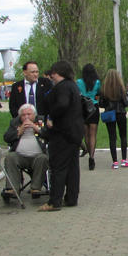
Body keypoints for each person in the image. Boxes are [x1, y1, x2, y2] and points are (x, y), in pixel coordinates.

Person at [40, 60, 85, 211]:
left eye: (52, 73)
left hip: (62, 133)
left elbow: (62, 104)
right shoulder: (73, 86)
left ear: (57, 73)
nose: (51, 76)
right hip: (75, 132)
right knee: (72, 167)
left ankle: (54, 201)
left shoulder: (62, 87)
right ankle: (72, 198)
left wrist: (51, 117)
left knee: (58, 167)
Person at [2, 103, 49, 196]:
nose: (26, 117)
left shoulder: (41, 121)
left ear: (34, 115)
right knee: (10, 157)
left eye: (29, 114)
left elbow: (50, 135)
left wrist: (37, 129)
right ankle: (12, 189)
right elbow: (6, 137)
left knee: (43, 158)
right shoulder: (15, 123)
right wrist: (18, 132)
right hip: (20, 156)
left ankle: (35, 188)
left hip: (38, 156)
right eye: (23, 115)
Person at [100, 69, 128, 169]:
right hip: (120, 113)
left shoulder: (104, 89)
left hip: (109, 114)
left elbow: (101, 103)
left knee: (112, 137)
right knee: (123, 136)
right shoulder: (121, 88)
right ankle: (124, 160)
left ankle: (115, 162)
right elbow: (126, 103)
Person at [77, 63, 100, 171]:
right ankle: (92, 156)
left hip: (83, 107)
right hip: (94, 107)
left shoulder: (79, 82)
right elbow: (98, 94)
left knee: (86, 133)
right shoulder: (97, 82)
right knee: (93, 134)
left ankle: (87, 149)